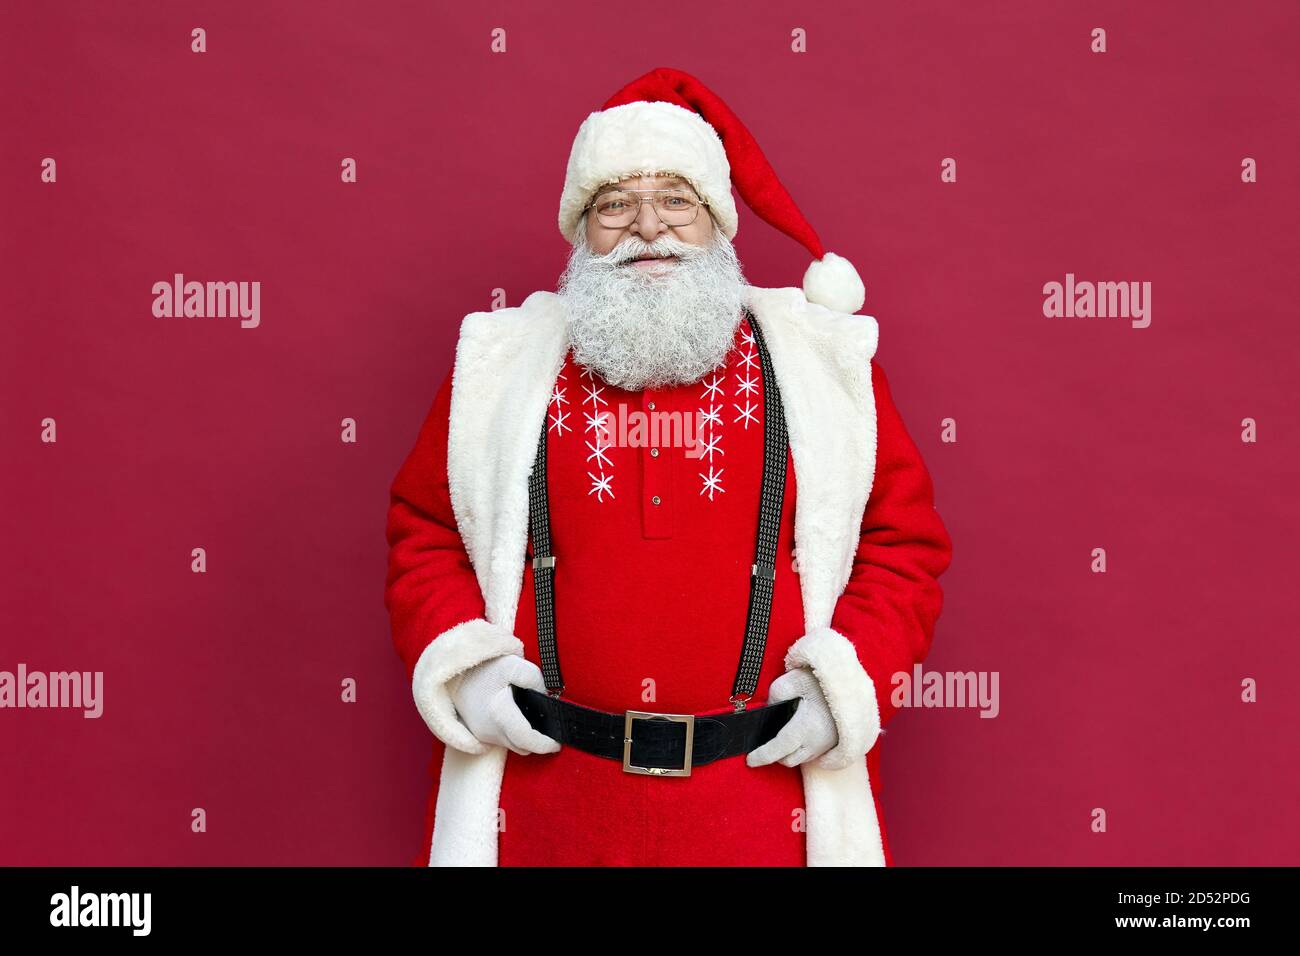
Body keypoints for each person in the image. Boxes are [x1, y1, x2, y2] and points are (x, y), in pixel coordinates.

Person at [384, 67, 953, 866]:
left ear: (717, 220)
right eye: (614, 204)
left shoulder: (822, 362)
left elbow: (904, 544)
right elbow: (426, 531)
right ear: (582, 227)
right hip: (545, 807)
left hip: (761, 809)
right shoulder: (500, 365)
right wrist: (464, 669)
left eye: (676, 201)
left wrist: (847, 681)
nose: (647, 227)